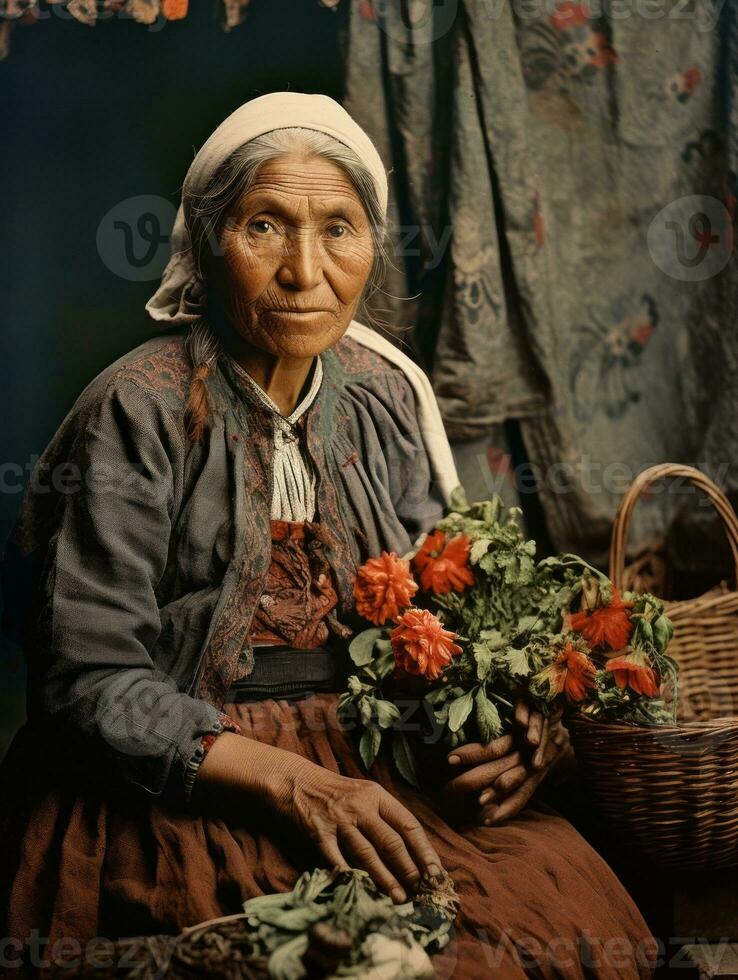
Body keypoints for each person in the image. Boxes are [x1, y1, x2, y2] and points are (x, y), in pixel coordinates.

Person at [0, 92, 656, 978]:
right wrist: (292, 783)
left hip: (375, 765)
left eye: (338, 229)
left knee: (538, 919)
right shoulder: (139, 408)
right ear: (204, 246)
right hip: (189, 782)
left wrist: (520, 718)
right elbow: (89, 679)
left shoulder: (385, 398)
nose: (305, 270)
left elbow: (451, 611)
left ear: (372, 250)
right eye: (265, 226)